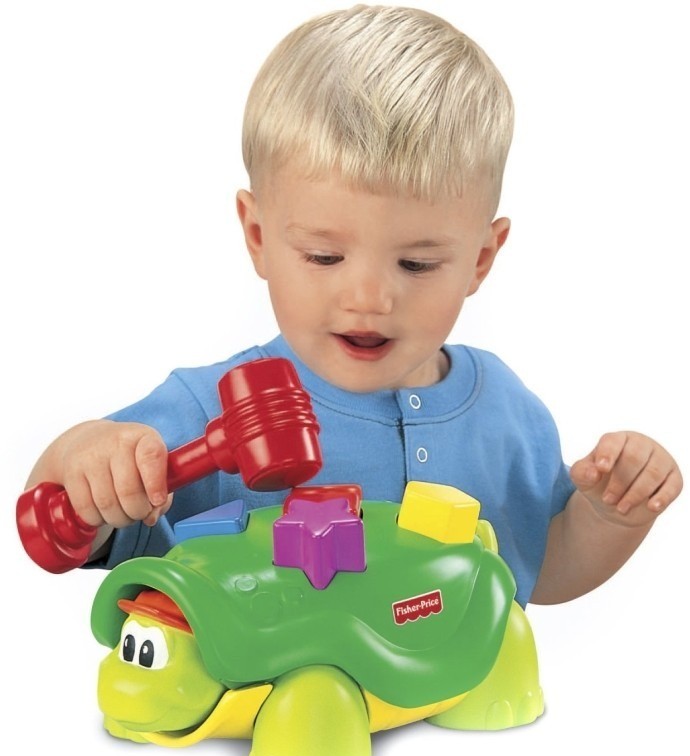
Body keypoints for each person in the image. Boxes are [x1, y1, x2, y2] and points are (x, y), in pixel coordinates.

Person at [22, 4, 682, 607]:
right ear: (259, 237)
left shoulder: (507, 412)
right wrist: (85, 456)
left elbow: (544, 567)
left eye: (417, 264)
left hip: (468, 701)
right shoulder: (211, 408)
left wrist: (610, 515)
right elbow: (62, 515)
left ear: (481, 258)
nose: (369, 298)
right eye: (324, 257)